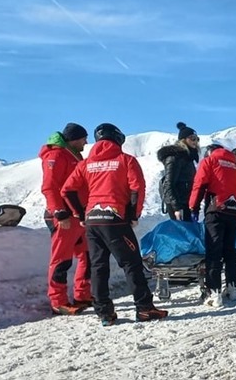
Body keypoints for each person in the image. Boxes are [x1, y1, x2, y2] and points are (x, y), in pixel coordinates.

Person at [62, 123, 167, 326]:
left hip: (93, 219)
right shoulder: (126, 160)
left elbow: (67, 190)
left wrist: (80, 214)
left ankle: (104, 314)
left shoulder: (85, 164)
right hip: (115, 219)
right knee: (131, 264)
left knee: (98, 266)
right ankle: (144, 308)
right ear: (117, 138)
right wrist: (133, 214)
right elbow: (137, 187)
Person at [38, 122, 92, 315]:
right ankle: (58, 301)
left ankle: (82, 295)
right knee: (62, 259)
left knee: (87, 256)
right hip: (63, 216)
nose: (86, 142)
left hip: (77, 215)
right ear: (75, 139)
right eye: (84, 138)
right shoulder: (56, 155)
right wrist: (59, 212)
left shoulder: (74, 155)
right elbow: (49, 186)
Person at [189, 143, 236, 307]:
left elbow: (200, 184)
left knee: (214, 250)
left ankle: (214, 293)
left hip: (217, 208)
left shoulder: (210, 161)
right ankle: (233, 288)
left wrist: (193, 207)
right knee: (230, 249)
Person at [157, 122, 200, 221]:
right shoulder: (175, 157)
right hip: (178, 203)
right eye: (192, 138)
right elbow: (169, 184)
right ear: (183, 140)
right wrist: (176, 208)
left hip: (186, 202)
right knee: (182, 233)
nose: (195, 141)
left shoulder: (188, 157)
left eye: (197, 139)